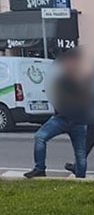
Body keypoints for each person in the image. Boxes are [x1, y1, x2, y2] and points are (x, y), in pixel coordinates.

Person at [24, 49, 89, 179]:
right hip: (61, 118)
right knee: (40, 137)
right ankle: (39, 168)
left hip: (78, 120)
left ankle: (81, 177)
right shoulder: (61, 79)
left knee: (80, 152)